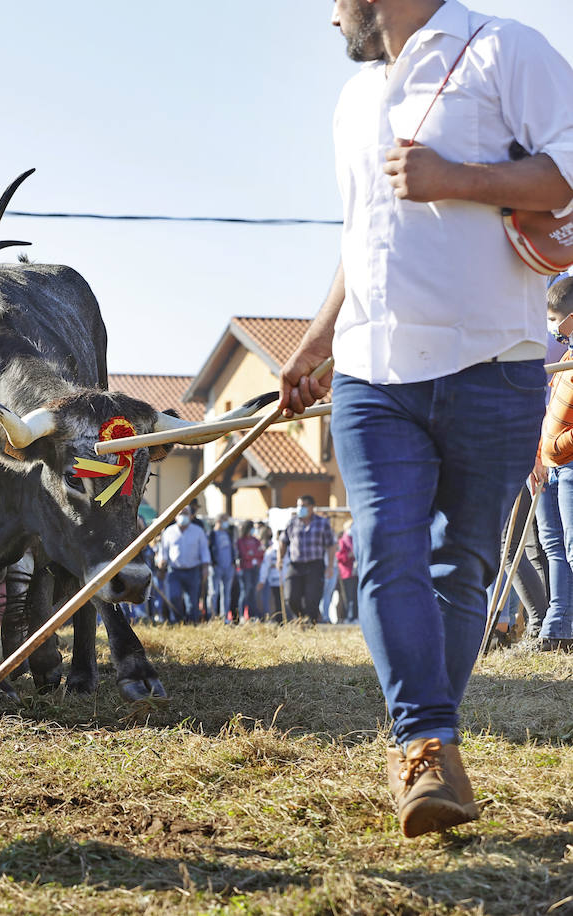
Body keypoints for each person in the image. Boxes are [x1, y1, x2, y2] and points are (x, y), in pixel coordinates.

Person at [281, 0, 573, 837]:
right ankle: (424, 744)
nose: (329, 15)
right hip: (372, 370)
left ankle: (427, 741)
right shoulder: (352, 102)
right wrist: (313, 343)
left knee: (463, 564)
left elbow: (569, 169)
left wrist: (461, 179)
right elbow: (362, 236)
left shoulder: (506, 49)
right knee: (384, 549)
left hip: (497, 359)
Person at [533, 277, 573, 650]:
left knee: (570, 547)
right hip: (551, 464)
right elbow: (549, 411)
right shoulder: (564, 358)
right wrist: (541, 451)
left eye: (554, 320)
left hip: (568, 463)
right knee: (553, 546)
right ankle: (557, 627)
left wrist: (557, 447)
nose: (552, 328)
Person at [279, 496, 332, 625]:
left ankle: (311, 623)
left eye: (303, 505)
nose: (300, 508)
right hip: (296, 565)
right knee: (291, 597)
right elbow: (283, 541)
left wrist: (330, 566)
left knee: (312, 598)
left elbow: (331, 545)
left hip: (315, 565)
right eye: (298, 505)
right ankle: (301, 618)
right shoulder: (292, 522)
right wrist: (280, 559)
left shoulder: (322, 523)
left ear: (312, 507)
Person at [156, 509, 209, 624]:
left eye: (186, 514)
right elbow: (163, 552)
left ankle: (192, 623)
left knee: (192, 601)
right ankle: (178, 621)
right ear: (175, 517)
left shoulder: (198, 531)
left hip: (193, 570)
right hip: (174, 571)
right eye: (180, 514)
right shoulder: (169, 531)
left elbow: (204, 551)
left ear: (190, 517)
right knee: (174, 597)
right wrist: (161, 564)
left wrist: (205, 568)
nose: (183, 517)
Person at [208, 514, 237, 622]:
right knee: (213, 592)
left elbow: (232, 549)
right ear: (219, 521)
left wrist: (233, 562)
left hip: (228, 567)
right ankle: (212, 616)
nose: (226, 523)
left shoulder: (228, 534)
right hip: (216, 567)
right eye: (225, 520)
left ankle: (224, 616)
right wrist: (213, 562)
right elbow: (209, 549)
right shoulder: (212, 534)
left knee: (226, 593)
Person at [237, 521, 265, 621]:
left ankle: (252, 615)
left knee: (253, 592)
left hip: (255, 568)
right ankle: (240, 615)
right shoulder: (241, 540)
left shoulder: (255, 540)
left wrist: (253, 554)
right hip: (245, 569)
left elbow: (261, 552)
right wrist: (254, 554)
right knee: (245, 592)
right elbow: (244, 554)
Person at [335, 520, 358, 623]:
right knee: (348, 596)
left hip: (356, 572)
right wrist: (350, 555)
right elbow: (339, 556)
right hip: (346, 573)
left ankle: (356, 616)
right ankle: (349, 617)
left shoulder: (356, 540)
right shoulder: (342, 541)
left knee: (356, 596)